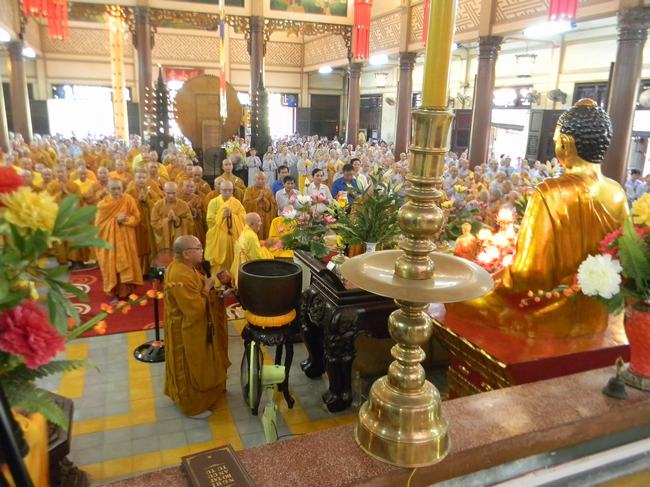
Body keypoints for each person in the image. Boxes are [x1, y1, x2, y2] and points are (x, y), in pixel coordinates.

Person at [447, 99, 628, 338]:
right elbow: (624, 257)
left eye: (555, 141)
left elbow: (529, 274)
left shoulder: (550, 192)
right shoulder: (617, 192)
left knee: (457, 299)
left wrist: (494, 280)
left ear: (565, 143)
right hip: (597, 310)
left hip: (546, 307)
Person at [164, 235, 230, 418]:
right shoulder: (180, 275)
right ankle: (192, 406)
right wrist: (208, 288)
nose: (202, 251)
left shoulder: (186, 268)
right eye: (199, 248)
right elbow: (194, 309)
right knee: (191, 367)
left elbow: (199, 292)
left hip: (197, 326)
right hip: (187, 330)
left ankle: (210, 394)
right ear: (186, 253)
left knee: (204, 362)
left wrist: (218, 293)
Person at [95, 179, 143, 302]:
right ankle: (116, 294)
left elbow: (136, 217)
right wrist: (115, 221)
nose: (116, 191)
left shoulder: (128, 199)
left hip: (127, 239)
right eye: (113, 189)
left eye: (119, 188)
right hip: (111, 241)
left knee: (128, 264)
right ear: (108, 190)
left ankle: (128, 292)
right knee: (114, 265)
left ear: (123, 188)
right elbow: (99, 226)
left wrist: (126, 220)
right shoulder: (103, 205)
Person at [204, 180, 246, 273]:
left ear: (232, 191)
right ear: (220, 190)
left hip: (233, 236)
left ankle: (233, 277)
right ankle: (218, 279)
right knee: (219, 263)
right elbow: (210, 220)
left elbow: (243, 217)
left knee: (234, 258)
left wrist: (232, 216)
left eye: (230, 190)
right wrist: (222, 216)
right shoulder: (213, 202)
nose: (227, 192)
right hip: (218, 237)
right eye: (224, 190)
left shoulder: (236, 203)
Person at [125, 169, 161, 275]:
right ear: (134, 178)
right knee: (137, 246)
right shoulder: (130, 192)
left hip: (149, 223)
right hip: (136, 225)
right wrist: (138, 202)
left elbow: (158, 203)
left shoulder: (150, 191)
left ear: (147, 179)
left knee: (150, 245)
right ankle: (138, 271)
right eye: (139, 177)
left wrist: (147, 201)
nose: (141, 180)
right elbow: (126, 208)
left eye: (144, 178)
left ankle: (150, 269)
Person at [230, 213, 275, 288]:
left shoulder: (245, 231)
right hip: (247, 269)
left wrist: (263, 244)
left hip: (242, 266)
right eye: (259, 221)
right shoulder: (251, 236)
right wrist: (266, 251)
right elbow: (256, 258)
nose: (261, 223)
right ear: (252, 224)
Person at [150, 182, 194, 254]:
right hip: (164, 240)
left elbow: (190, 222)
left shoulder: (183, 205)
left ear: (177, 192)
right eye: (168, 193)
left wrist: (177, 219)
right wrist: (167, 220)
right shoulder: (157, 205)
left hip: (179, 239)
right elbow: (154, 223)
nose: (171, 196)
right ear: (164, 192)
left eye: (173, 193)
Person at [242, 171, 277, 240]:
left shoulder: (269, 191)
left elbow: (274, 207)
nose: (260, 181)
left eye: (262, 179)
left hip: (266, 221)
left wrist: (266, 201)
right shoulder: (248, 190)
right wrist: (257, 199)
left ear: (265, 180)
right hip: (254, 221)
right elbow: (245, 205)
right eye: (258, 179)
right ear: (254, 180)